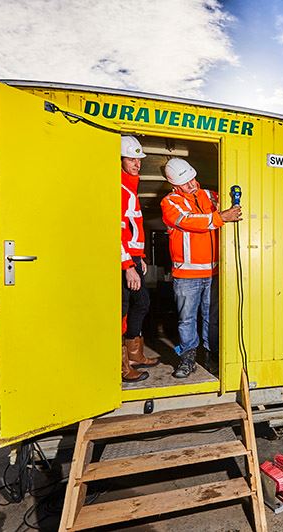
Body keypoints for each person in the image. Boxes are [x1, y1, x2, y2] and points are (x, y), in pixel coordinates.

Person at [160, 158, 242, 378]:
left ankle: (210, 356)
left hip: (214, 272)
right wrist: (221, 217)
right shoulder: (169, 203)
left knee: (211, 317)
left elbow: (227, 197)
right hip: (187, 274)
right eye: (186, 183)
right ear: (174, 185)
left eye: (193, 179)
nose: (192, 184)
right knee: (187, 319)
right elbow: (189, 220)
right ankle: (188, 358)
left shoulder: (209, 195)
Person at [120, 136, 159, 382]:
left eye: (138, 159)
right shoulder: (119, 189)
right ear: (119, 160)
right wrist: (127, 266)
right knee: (121, 312)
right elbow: (116, 229)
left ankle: (135, 354)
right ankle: (122, 367)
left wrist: (140, 257)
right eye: (131, 158)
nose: (137, 163)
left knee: (142, 303)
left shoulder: (130, 188)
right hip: (121, 259)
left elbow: (134, 227)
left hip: (132, 256)